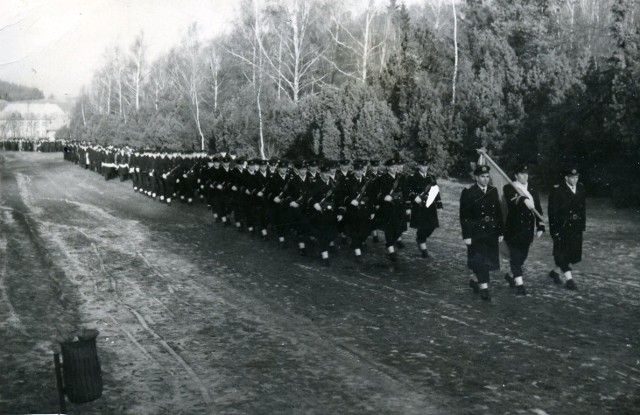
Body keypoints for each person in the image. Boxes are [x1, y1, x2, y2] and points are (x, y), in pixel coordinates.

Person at [459, 164, 504, 301]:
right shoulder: (468, 192)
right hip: (476, 232)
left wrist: (500, 231)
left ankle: (474, 280)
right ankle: (484, 288)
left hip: (490, 231)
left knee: (487, 261)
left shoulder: (493, 191)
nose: (485, 179)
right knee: (480, 261)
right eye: (482, 177)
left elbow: (498, 213)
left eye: (487, 176)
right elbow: (464, 216)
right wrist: (467, 235)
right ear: (476, 177)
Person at [502, 164, 545, 296]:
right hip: (513, 228)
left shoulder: (532, 188)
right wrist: (523, 199)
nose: (525, 176)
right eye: (521, 173)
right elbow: (512, 198)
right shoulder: (509, 187)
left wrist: (540, 225)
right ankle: (520, 285)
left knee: (523, 257)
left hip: (527, 229)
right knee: (515, 257)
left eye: (526, 173)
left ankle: (510, 276)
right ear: (516, 175)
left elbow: (537, 208)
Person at [548, 165, 586, 290]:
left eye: (576, 177)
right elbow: (552, 213)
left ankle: (554, 273)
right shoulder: (557, 190)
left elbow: (582, 209)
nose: (575, 179)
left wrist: (582, 226)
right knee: (562, 253)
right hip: (562, 227)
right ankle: (570, 280)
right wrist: (555, 231)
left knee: (572, 254)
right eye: (572, 177)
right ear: (566, 177)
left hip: (576, 227)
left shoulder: (580, 187)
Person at [408, 159, 442, 258]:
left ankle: (420, 238)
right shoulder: (412, 177)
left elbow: (436, 191)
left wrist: (439, 204)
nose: (425, 168)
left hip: (430, 205)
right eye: (423, 166)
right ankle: (423, 246)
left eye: (426, 166)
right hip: (419, 206)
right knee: (422, 226)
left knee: (432, 225)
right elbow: (408, 189)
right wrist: (414, 197)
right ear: (418, 166)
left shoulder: (431, 177)